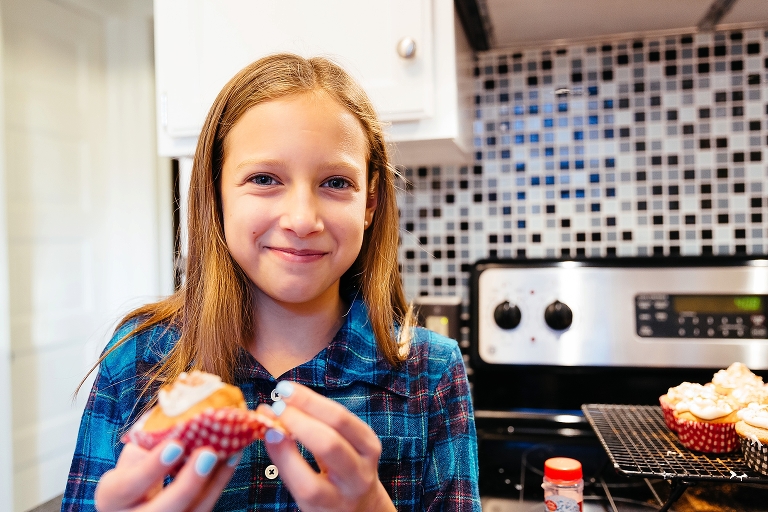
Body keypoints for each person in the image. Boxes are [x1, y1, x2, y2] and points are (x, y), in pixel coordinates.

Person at [62, 53, 480, 511]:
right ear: (216, 194)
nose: (302, 219)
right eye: (264, 178)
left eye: (336, 182)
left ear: (371, 202)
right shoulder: (138, 357)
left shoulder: (432, 371)